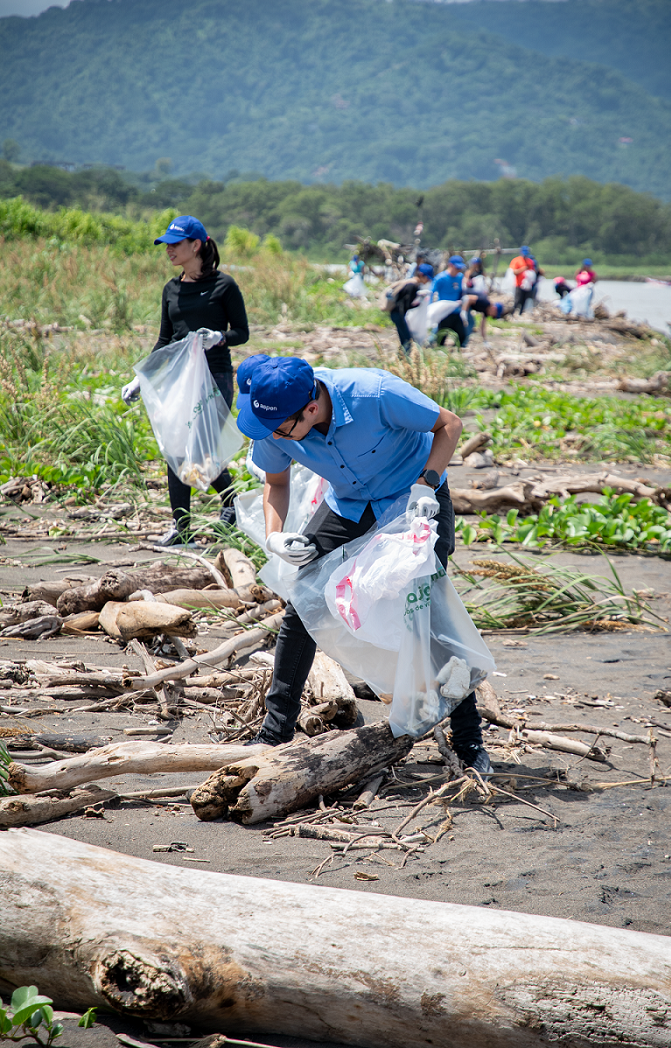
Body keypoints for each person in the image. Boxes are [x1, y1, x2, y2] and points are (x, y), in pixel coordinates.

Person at [235, 355, 493, 773]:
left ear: (311, 409)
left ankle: (468, 743)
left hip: (414, 495)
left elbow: (450, 425)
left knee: (426, 610)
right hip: (350, 505)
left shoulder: (374, 393)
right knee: (303, 603)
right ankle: (274, 733)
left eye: (282, 429)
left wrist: (427, 483)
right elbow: (276, 482)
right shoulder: (274, 424)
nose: (274, 437)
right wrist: (274, 535)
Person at [122, 215, 249, 547]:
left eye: (176, 244)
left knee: (202, 447)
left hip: (215, 376)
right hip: (179, 380)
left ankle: (232, 503)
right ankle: (183, 527)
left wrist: (220, 336)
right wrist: (141, 377)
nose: (169, 251)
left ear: (196, 246)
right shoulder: (171, 289)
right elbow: (165, 340)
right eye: (166, 245)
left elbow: (242, 332)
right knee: (176, 449)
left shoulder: (224, 286)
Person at [389, 263, 434, 356]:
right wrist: (419, 301)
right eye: (427, 278)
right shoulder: (413, 285)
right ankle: (406, 359)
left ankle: (402, 358)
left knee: (404, 339)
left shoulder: (410, 283)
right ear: (421, 275)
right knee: (407, 340)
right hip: (398, 314)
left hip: (396, 313)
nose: (428, 281)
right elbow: (408, 304)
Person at [431, 255, 467, 346]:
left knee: (462, 335)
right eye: (457, 268)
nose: (458, 270)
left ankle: (454, 352)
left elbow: (461, 292)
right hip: (444, 312)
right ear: (450, 265)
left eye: (460, 268)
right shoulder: (441, 278)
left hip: (456, 312)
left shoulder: (460, 277)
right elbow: (431, 292)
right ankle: (437, 352)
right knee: (441, 336)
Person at [508, 246, 536, 315]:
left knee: (524, 300)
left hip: (527, 285)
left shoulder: (530, 262)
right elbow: (514, 272)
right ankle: (512, 313)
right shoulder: (516, 260)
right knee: (517, 300)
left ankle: (520, 314)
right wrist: (523, 269)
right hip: (518, 284)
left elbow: (532, 272)